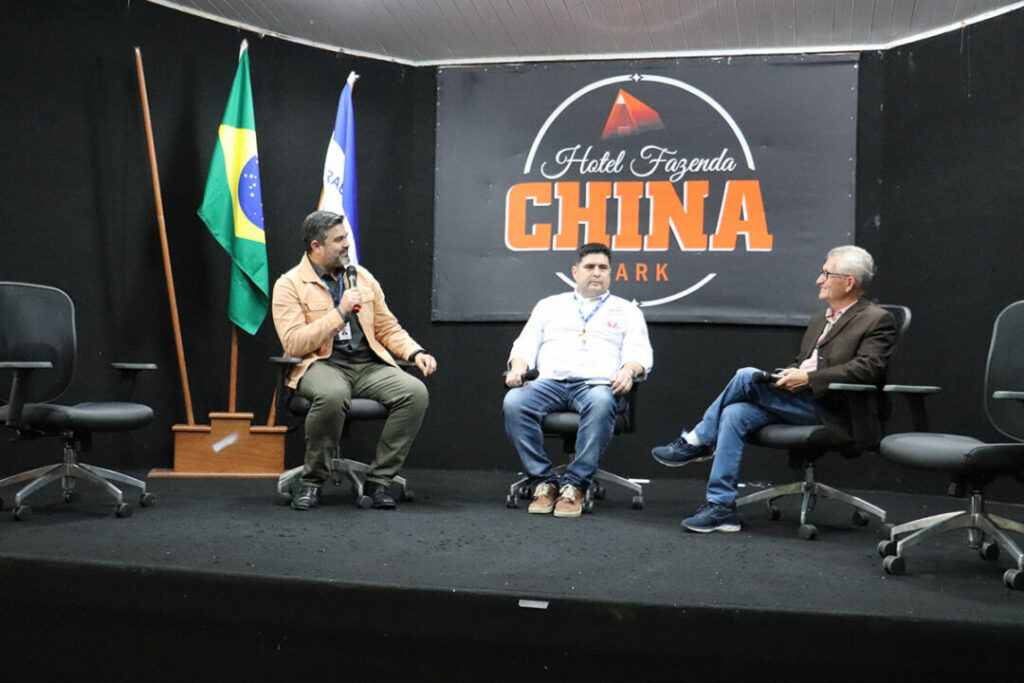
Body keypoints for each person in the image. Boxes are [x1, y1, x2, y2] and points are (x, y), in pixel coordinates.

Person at [651, 245, 895, 533]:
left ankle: (698, 440)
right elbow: (802, 363)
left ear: (849, 282)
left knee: (746, 375)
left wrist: (809, 379)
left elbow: (868, 369)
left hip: (834, 409)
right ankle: (721, 507)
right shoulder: (820, 318)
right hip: (800, 401)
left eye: (827, 274)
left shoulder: (877, 319)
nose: (819, 280)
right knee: (734, 413)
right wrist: (789, 375)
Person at [272, 210, 437, 511]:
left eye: (346, 237)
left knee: (415, 393)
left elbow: (387, 327)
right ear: (316, 246)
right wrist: (339, 313)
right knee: (333, 394)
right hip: (320, 364)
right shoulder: (290, 284)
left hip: (367, 365)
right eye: (338, 239)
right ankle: (312, 482)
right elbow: (294, 342)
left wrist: (415, 352)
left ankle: (379, 481)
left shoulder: (361, 277)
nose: (347, 244)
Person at [503, 243, 653, 518]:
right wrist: (518, 368)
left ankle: (575, 485)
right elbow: (524, 346)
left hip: (597, 385)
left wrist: (629, 371)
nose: (596, 273)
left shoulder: (626, 311)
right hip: (550, 383)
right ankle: (543, 481)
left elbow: (640, 354)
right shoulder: (549, 306)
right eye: (589, 267)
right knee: (514, 402)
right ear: (575, 272)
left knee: (601, 400)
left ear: (611, 273)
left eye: (603, 268)